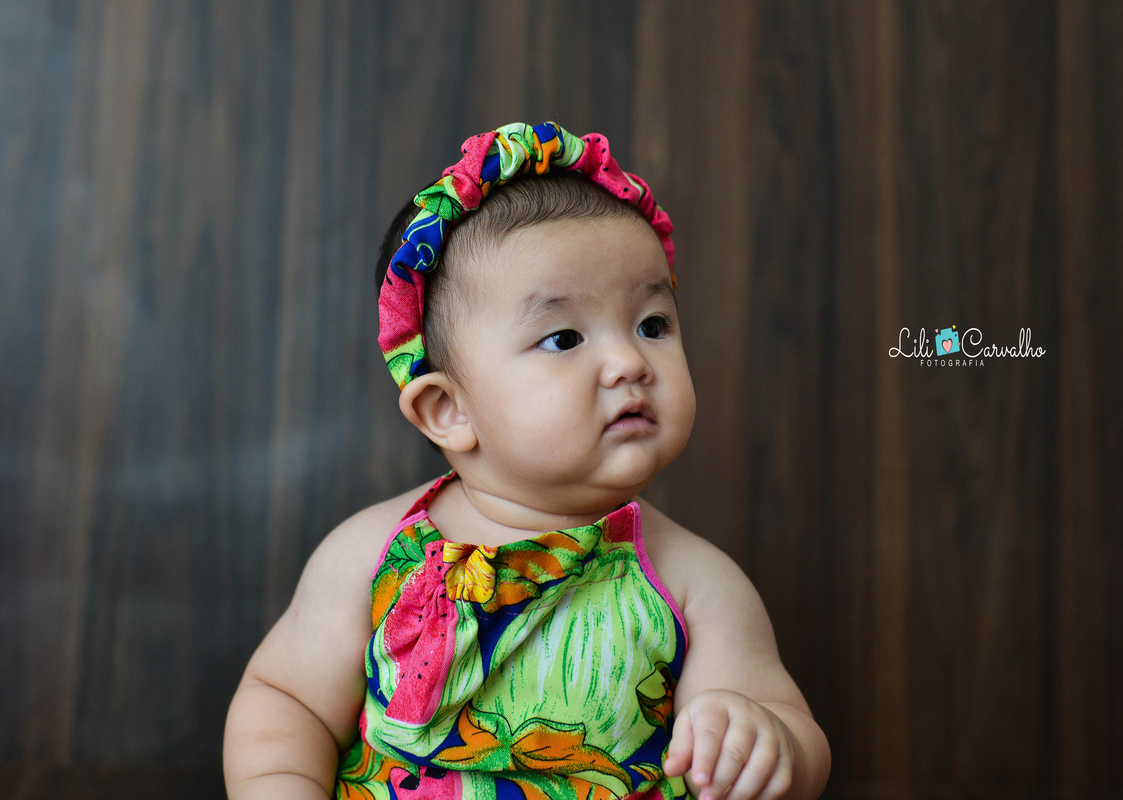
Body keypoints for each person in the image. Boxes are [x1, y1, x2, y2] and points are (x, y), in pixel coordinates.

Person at [223, 122, 830, 800]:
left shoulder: (694, 583)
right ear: (449, 411)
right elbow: (287, 701)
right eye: (564, 337)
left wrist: (764, 740)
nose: (630, 362)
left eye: (652, 324)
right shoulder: (371, 557)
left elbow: (796, 735)